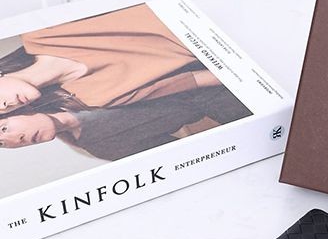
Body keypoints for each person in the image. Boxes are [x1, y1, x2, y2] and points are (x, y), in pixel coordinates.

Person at [0, 3, 220, 115]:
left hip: (189, 4)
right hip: (217, 43)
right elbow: (193, 80)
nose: (5, 106)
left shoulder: (39, 31)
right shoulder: (94, 98)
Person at [0, 85, 252, 161]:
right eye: (3, 143)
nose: (14, 140)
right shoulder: (102, 147)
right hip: (222, 104)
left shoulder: (69, 86)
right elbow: (191, 155)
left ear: (20, 110)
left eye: (3, 129)